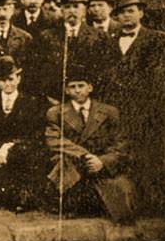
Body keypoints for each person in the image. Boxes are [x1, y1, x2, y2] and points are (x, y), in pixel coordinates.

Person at [103, 0, 165, 214]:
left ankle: (151, 205)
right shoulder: (109, 42)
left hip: (146, 108)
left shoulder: (158, 39)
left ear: (141, 13)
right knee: (121, 153)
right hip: (118, 108)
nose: (126, 16)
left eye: (130, 11)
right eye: (121, 13)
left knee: (147, 154)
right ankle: (127, 205)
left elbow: (161, 77)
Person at [45, 66, 135, 223]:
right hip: (73, 165)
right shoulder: (56, 113)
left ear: (90, 87)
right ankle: (73, 205)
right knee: (62, 164)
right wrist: (84, 155)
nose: (77, 91)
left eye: (81, 86)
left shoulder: (109, 112)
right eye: (72, 87)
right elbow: (54, 140)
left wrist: (102, 161)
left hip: (100, 166)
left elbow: (121, 143)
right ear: (66, 91)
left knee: (123, 197)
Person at [0, 56, 44, 212]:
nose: (8, 84)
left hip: (18, 147)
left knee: (25, 154)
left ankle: (20, 198)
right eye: (3, 80)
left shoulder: (30, 102)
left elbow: (33, 134)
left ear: (18, 78)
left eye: (11, 79)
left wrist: (8, 146)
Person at [28, 0, 116, 103]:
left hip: (91, 100)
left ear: (84, 10)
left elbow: (107, 71)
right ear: (61, 10)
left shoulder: (100, 37)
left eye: (76, 7)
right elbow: (37, 70)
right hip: (56, 100)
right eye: (67, 7)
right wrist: (48, 96)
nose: (72, 11)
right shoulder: (46, 37)